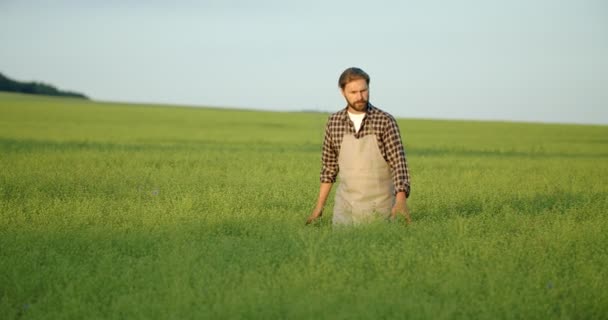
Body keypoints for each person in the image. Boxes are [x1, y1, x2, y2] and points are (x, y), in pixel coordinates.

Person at [306, 67, 412, 225]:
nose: (360, 97)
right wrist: (319, 207)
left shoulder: (385, 121)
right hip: (345, 211)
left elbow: (398, 164)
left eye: (364, 90)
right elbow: (329, 169)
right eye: (353, 92)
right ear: (342, 92)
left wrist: (401, 201)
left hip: (381, 209)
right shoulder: (334, 123)